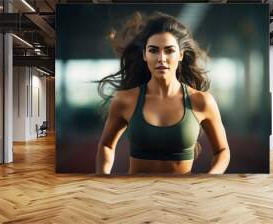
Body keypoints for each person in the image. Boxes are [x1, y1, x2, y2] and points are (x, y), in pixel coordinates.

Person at [95, 11, 230, 174]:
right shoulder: (125, 100)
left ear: (180, 54)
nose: (161, 58)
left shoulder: (202, 101)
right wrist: (102, 177)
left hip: (183, 196)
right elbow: (106, 146)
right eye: (153, 50)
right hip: (134, 194)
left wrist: (209, 179)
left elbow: (222, 151)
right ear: (144, 55)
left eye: (169, 50)